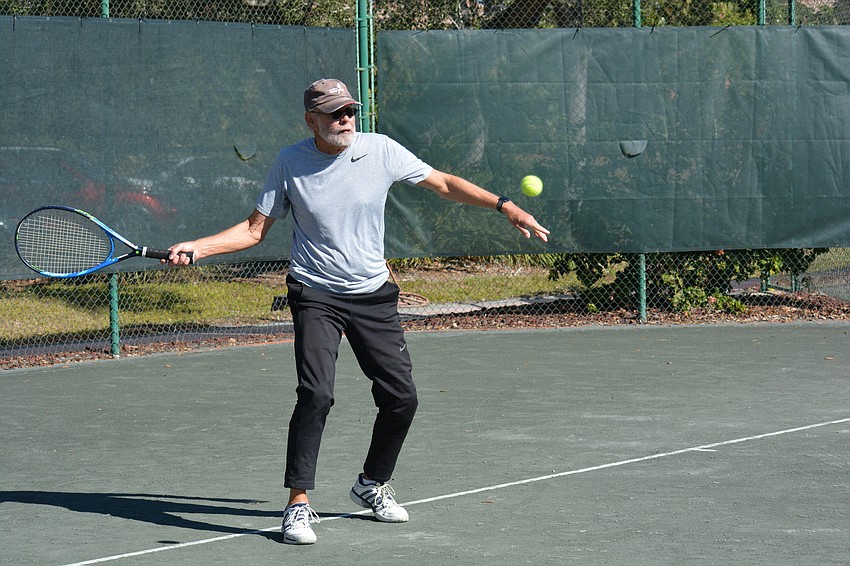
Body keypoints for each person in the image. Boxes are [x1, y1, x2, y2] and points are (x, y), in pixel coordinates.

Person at [165, 78, 550, 545]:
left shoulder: (381, 149)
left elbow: (444, 184)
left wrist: (505, 206)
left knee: (401, 398)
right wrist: (200, 247)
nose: (345, 119)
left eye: (349, 110)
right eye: (334, 113)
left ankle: (371, 483)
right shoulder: (289, 162)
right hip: (315, 293)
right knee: (316, 394)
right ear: (312, 121)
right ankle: (298, 504)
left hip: (373, 293)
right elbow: (253, 230)